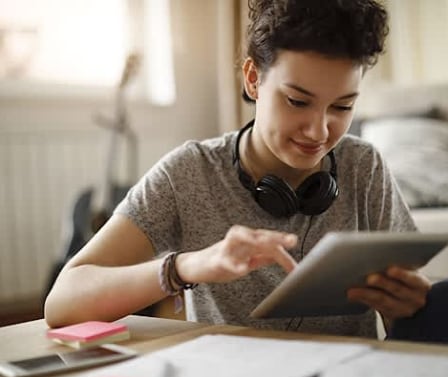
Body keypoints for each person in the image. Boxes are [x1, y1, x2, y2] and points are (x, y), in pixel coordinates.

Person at [45, 0, 437, 341]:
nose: (319, 131)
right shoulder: (189, 173)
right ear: (253, 79)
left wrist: (416, 304)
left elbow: (404, 326)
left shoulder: (364, 167)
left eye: (342, 107)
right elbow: (63, 302)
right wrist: (185, 266)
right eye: (298, 102)